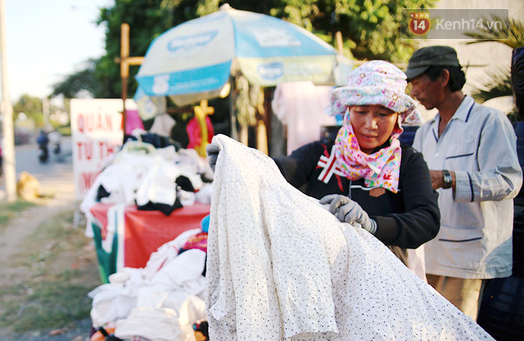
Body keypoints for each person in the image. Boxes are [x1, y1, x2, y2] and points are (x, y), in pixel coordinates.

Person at [207, 60, 441, 270]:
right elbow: (278, 169)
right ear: (347, 112)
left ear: (398, 118)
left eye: (383, 114)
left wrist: (372, 225)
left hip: (385, 280)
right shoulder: (321, 154)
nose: (371, 124)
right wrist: (236, 161)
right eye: (361, 111)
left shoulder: (407, 163)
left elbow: (426, 220)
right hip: (323, 280)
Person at [407, 46, 523, 321]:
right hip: (430, 254)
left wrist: (449, 178)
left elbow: (510, 180)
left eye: (417, 82)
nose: (413, 92)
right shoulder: (424, 131)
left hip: (468, 257)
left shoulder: (489, 121)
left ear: (443, 78)